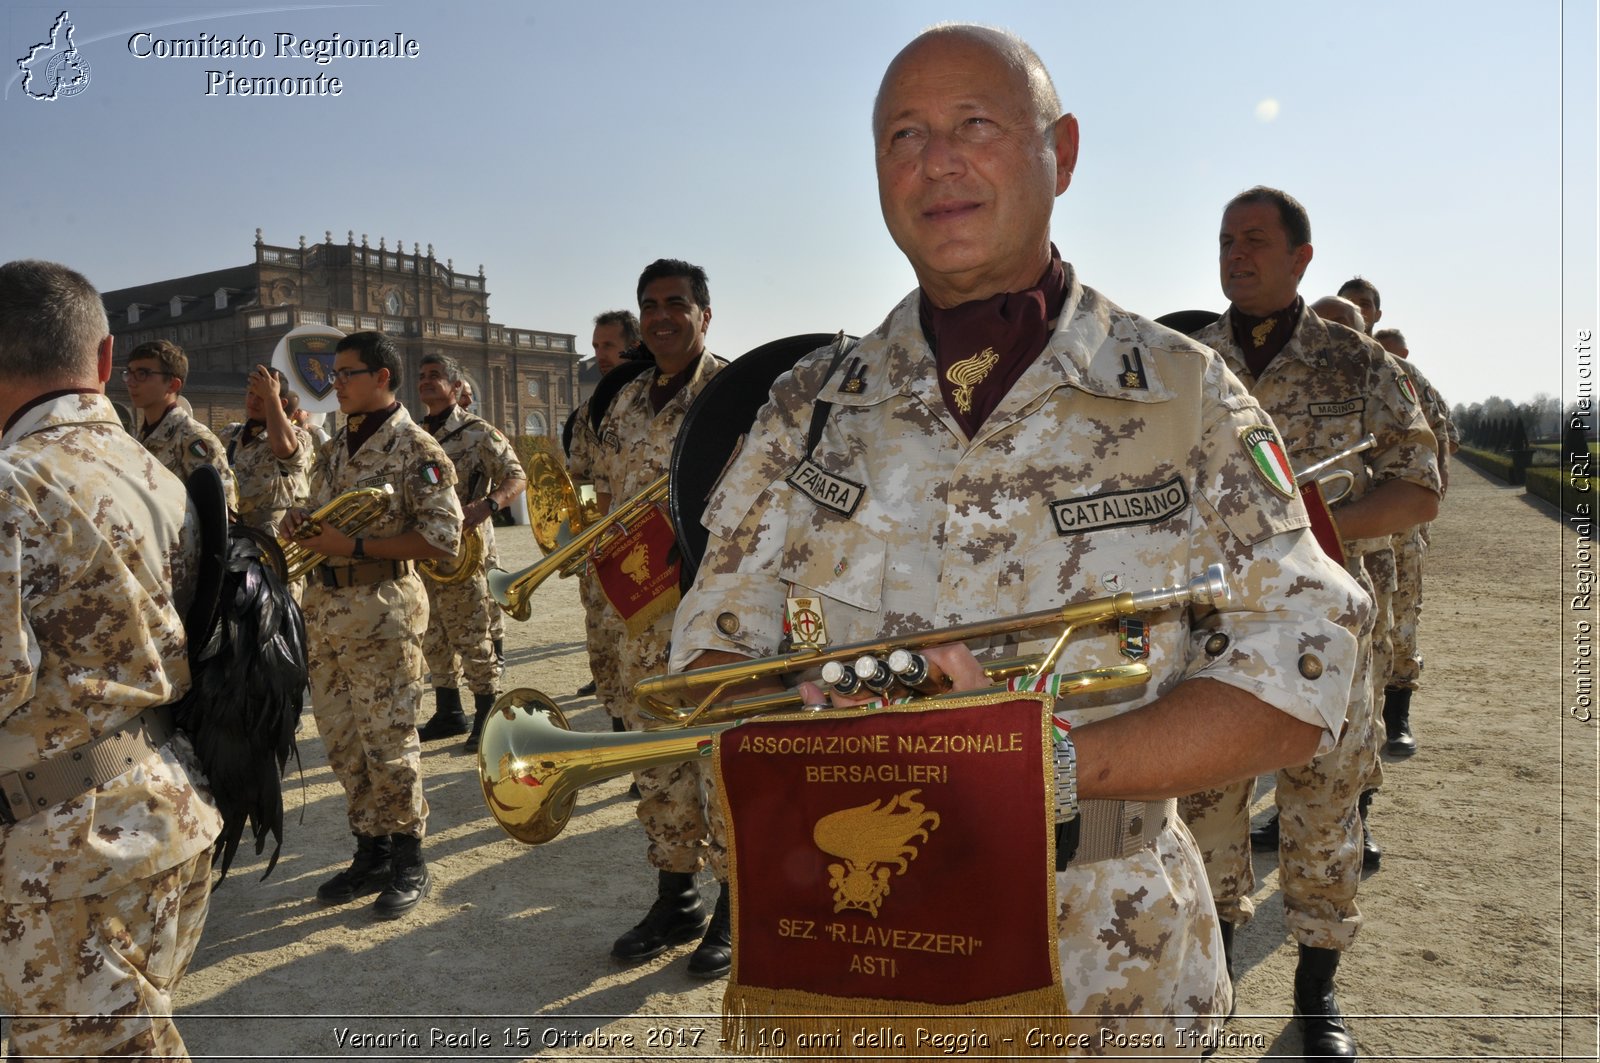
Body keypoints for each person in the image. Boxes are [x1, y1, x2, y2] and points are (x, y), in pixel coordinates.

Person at [666, 27, 1370, 1054]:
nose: (935, 160)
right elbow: (709, 649)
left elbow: (1300, 679)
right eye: (902, 136)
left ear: (1063, 154)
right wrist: (804, 731)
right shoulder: (804, 405)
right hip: (857, 971)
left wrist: (1050, 762)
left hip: (1105, 976)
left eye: (975, 126)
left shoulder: (1184, 395)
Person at [1180, 188, 1440, 1058]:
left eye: (1255, 239)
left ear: (1302, 257)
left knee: (1323, 807)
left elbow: (1419, 486)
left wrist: (1313, 531)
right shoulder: (1186, 362)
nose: (1236, 253)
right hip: (1211, 634)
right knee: (1202, 805)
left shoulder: (1357, 364)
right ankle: (1209, 991)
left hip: (1325, 627)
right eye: (1225, 240)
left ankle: (1316, 995)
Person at [0, 259, 223, 1059]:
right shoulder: (156, 472)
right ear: (102, 361)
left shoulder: (12, 482)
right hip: (164, 807)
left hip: (64, 849)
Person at [281, 331, 462, 920]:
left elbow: (443, 539)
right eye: (334, 374)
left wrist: (351, 542)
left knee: (388, 739)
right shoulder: (334, 448)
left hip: (382, 608)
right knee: (343, 740)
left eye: (346, 373)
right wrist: (300, 521)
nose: (335, 383)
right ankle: (371, 848)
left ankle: (410, 855)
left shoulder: (418, 448)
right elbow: (318, 512)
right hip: (326, 610)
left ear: (383, 376)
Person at [592, 261, 731, 978]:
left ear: (706, 314)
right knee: (659, 761)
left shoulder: (741, 395)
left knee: (724, 757)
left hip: (722, 617)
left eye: (677, 303)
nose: (661, 316)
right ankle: (675, 895)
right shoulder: (624, 403)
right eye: (649, 305)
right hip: (642, 616)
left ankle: (736, 906)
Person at [413, 353, 527, 751]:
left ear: (458, 387)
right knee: (433, 634)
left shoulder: (479, 432)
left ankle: (487, 716)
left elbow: (516, 475)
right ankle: (449, 712)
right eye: (423, 376)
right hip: (424, 550)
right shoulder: (412, 434)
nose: (427, 381)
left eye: (437, 376)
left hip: (467, 552)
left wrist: (488, 505)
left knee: (472, 632)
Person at [1371, 321, 1458, 757]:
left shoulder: (1407, 376)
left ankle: (1396, 716)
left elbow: (1446, 436)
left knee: (1401, 617)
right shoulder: (1332, 366)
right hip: (1347, 518)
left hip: (1399, 525)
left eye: (1365, 306)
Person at [567, 310, 640, 712]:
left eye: (608, 345)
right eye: (595, 347)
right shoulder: (589, 410)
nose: (599, 356)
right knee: (606, 654)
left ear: (633, 344)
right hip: (601, 549)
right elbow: (576, 476)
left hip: (649, 551)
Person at [125, 338, 238, 510]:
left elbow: (221, 516)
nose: (131, 382)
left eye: (142, 374)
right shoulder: (138, 439)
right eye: (129, 373)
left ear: (172, 384)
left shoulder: (194, 439)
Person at [225, 364, 313, 538]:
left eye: (262, 397)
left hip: (273, 538)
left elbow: (283, 448)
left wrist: (271, 395)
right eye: (251, 394)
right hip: (233, 534)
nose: (253, 401)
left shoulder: (299, 436)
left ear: (281, 403)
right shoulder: (230, 434)